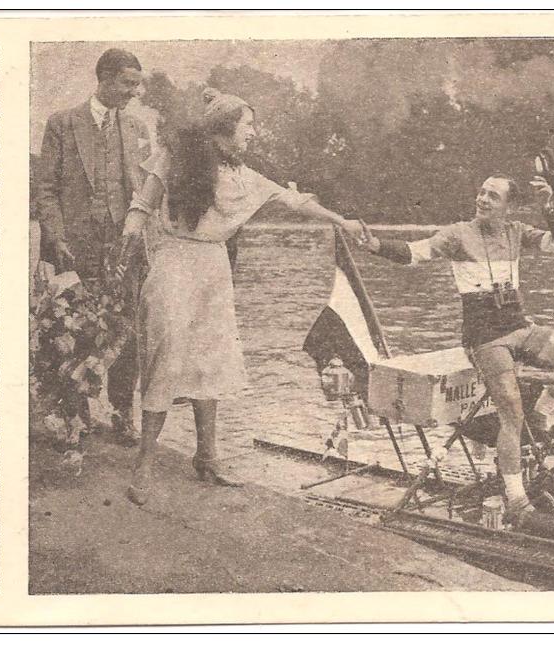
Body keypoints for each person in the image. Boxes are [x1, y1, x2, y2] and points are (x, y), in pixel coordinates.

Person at [122, 88, 366, 505]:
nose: (253, 133)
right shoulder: (174, 157)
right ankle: (144, 465)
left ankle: (208, 456)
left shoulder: (242, 175)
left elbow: (295, 201)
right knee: (167, 358)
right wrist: (127, 240)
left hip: (214, 268)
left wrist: (342, 221)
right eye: (247, 125)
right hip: (174, 264)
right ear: (224, 130)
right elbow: (142, 205)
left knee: (211, 361)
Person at [358, 174, 554, 516]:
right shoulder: (458, 234)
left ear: (508, 207)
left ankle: (547, 420)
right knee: (511, 411)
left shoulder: (516, 231)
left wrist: (548, 208)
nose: (483, 199)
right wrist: (377, 246)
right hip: (485, 337)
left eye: (493, 196)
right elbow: (414, 253)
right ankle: (516, 498)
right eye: (482, 192)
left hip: (519, 327)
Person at [33, 48, 153, 445]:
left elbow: (146, 192)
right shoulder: (63, 124)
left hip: (123, 248)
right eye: (126, 84)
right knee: (75, 331)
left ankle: (122, 412)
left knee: (128, 332)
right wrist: (57, 237)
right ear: (102, 79)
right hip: (75, 248)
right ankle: (76, 417)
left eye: (137, 84)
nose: (133, 92)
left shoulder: (136, 128)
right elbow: (46, 189)